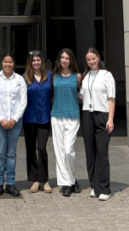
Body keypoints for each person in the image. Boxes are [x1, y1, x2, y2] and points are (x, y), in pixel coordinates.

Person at [80, 48, 116, 201]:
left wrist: (110, 119)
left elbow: (111, 98)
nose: (91, 62)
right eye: (88, 60)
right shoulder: (86, 75)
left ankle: (105, 188)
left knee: (101, 152)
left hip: (102, 115)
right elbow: (82, 95)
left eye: (93, 59)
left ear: (98, 58)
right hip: (87, 114)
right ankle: (94, 186)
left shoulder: (107, 75)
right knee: (90, 152)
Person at [0, 54, 27, 197]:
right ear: (1, 63)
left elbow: (23, 101)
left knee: (11, 153)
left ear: (14, 64)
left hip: (15, 122)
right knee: (0, 152)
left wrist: (15, 119)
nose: (8, 64)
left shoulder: (19, 80)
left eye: (10, 62)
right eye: (5, 62)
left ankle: (10, 183)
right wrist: (1, 119)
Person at [50, 48, 83, 197]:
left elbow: (82, 94)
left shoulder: (77, 76)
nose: (64, 60)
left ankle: (71, 180)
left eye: (67, 58)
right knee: (59, 151)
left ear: (71, 61)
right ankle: (67, 184)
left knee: (68, 151)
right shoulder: (53, 76)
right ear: (59, 59)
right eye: (62, 57)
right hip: (56, 115)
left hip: (72, 116)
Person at [22, 50, 53, 194]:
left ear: (42, 61)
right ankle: (35, 179)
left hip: (45, 118)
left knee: (42, 148)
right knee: (30, 149)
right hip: (29, 118)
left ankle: (44, 180)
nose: (36, 62)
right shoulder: (24, 78)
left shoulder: (50, 77)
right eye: (33, 60)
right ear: (30, 62)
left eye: (38, 60)